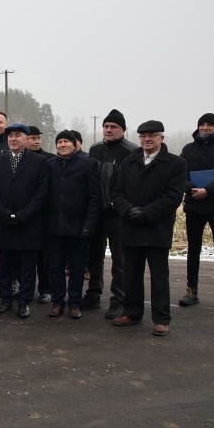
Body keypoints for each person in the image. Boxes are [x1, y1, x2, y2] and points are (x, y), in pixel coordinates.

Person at [112, 120, 187, 336]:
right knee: (131, 274)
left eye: (152, 135)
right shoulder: (129, 162)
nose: (147, 139)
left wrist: (147, 213)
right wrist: (128, 210)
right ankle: (132, 312)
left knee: (159, 276)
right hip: (131, 226)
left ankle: (161, 318)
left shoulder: (175, 164)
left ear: (161, 138)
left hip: (157, 228)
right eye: (143, 136)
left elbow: (173, 196)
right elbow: (117, 193)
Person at [0, 123, 49, 319]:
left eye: (18, 135)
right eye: (10, 136)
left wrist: (22, 215)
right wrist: (4, 213)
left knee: (27, 266)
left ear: (27, 139)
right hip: (3, 223)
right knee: (4, 265)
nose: (13, 139)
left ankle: (24, 302)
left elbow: (41, 193)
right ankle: (5, 299)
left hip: (28, 224)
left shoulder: (39, 162)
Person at [85, 109, 138, 318]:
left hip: (118, 214)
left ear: (123, 130)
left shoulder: (131, 151)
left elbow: (133, 183)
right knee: (94, 257)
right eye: (106, 126)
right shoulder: (95, 149)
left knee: (120, 260)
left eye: (113, 127)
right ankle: (93, 294)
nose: (108, 130)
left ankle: (119, 300)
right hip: (96, 211)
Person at [44, 131, 100, 319]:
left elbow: (94, 198)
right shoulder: (49, 165)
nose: (62, 144)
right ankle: (57, 302)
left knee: (77, 268)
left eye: (66, 141)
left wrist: (89, 225)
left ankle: (74, 303)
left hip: (78, 227)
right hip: (54, 226)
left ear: (75, 144)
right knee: (56, 267)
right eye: (59, 142)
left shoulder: (87, 165)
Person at [179, 113, 214, 308]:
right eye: (202, 124)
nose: (204, 128)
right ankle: (191, 291)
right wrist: (191, 189)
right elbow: (179, 174)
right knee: (193, 250)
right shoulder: (189, 149)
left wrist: (208, 190)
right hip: (194, 205)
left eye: (209, 125)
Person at [27, 125, 53, 303]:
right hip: (24, 216)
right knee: (26, 258)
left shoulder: (49, 160)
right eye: (32, 138)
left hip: (43, 215)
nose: (36, 141)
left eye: (38, 138)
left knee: (44, 258)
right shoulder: (19, 160)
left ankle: (45, 288)